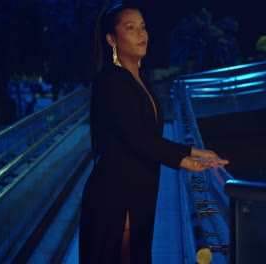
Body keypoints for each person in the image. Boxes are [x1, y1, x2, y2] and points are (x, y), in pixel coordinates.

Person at [79, 4, 229, 264]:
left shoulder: (138, 78)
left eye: (143, 26)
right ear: (112, 40)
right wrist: (189, 161)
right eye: (130, 28)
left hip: (137, 192)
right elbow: (136, 137)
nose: (141, 33)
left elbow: (146, 134)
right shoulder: (113, 80)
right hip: (116, 196)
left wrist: (194, 150)